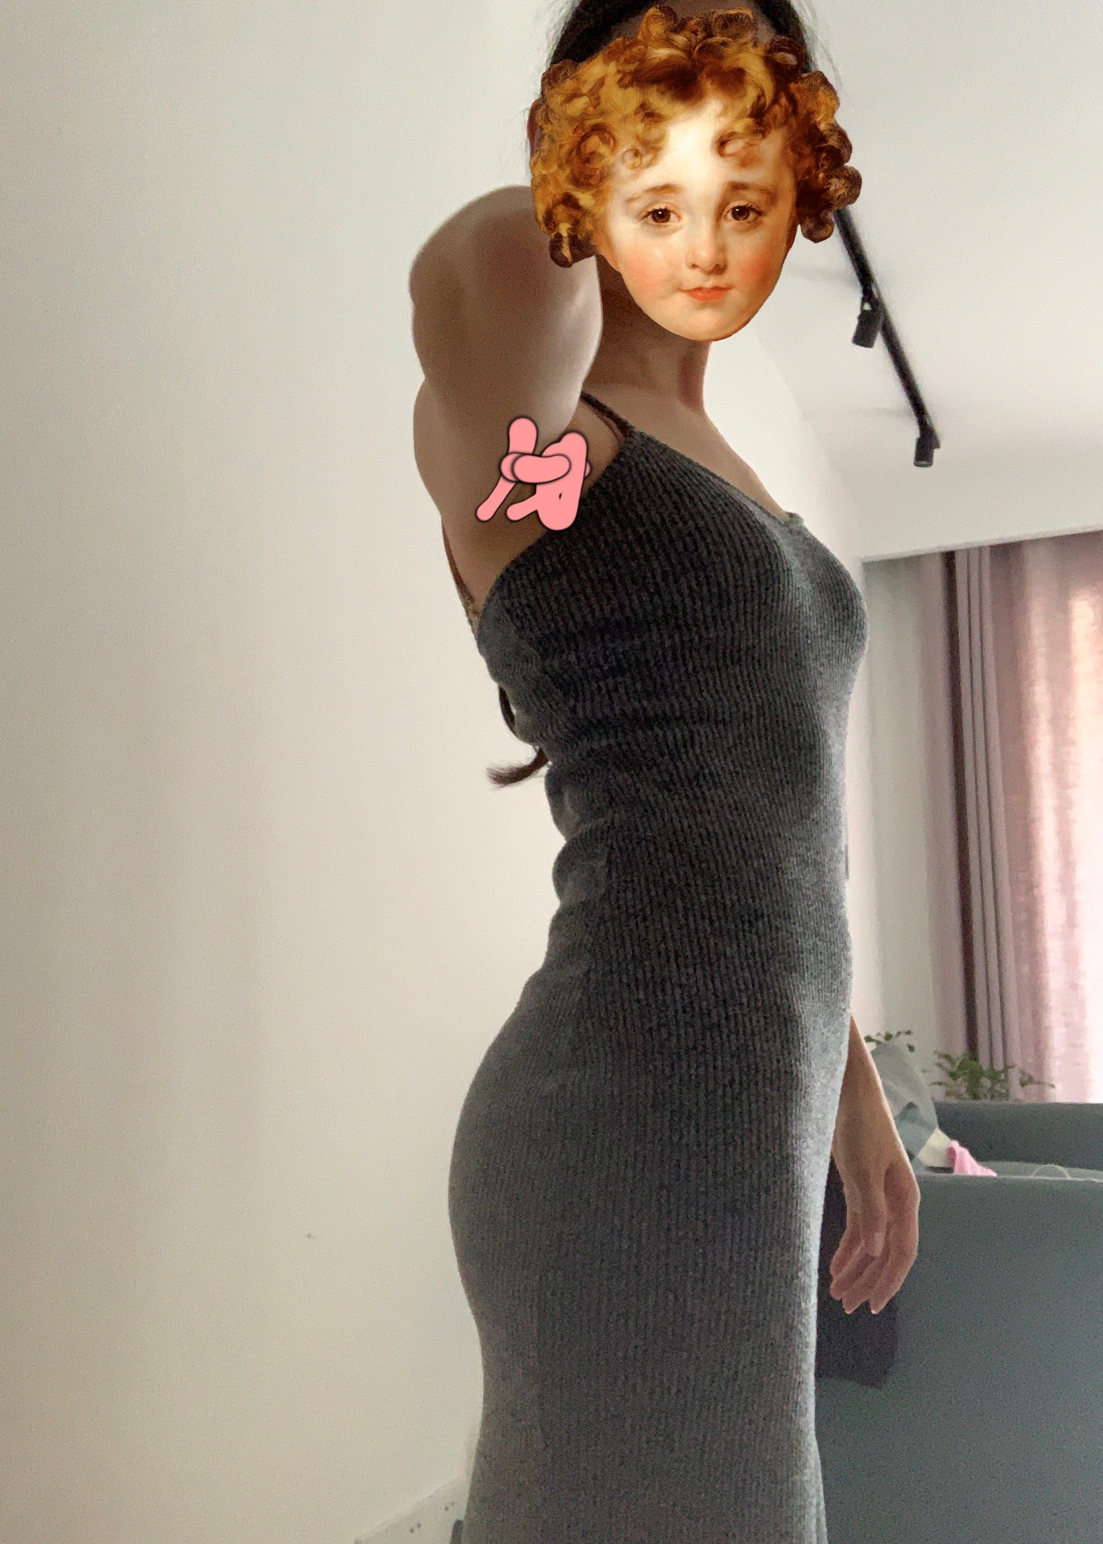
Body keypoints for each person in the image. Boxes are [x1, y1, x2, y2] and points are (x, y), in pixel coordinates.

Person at [410, 6, 919, 1539]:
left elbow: (776, 816)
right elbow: (479, 264)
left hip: (756, 1106)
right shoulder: (550, 444)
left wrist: (855, 1098)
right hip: (626, 1103)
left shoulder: (734, 460)